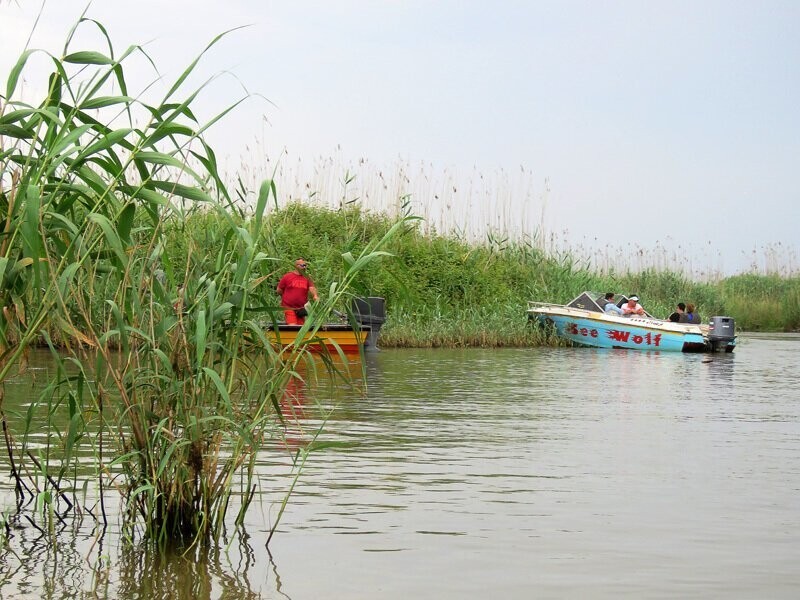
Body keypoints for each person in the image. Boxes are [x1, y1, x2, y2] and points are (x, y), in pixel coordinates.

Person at [276, 258, 319, 325]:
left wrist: (315, 295)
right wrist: (286, 297)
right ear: (296, 266)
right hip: (288, 306)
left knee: (301, 328)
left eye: (305, 265)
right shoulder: (287, 276)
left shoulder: (307, 277)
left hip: (301, 308)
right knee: (293, 326)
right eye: (302, 265)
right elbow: (279, 290)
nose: (304, 267)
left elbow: (312, 288)